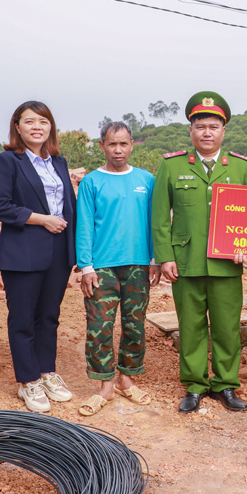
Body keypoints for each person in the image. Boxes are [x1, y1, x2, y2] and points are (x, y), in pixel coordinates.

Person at [152, 92, 247, 414]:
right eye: (200, 126)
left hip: (227, 263)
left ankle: (226, 384)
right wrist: (165, 256)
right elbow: (159, 216)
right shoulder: (172, 165)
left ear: (224, 130)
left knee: (226, 327)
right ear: (191, 130)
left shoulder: (240, 167)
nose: (206, 132)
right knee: (191, 328)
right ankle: (195, 385)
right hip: (186, 262)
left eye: (213, 126)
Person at [0, 101, 76, 413]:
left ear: (51, 127)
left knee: (49, 316)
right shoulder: (7, 161)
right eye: (29, 121)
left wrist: (74, 250)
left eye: (43, 121)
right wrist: (42, 219)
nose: (37, 126)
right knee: (23, 318)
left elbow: (70, 208)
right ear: (17, 127)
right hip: (23, 251)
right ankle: (28, 381)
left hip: (59, 252)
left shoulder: (58, 162)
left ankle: (47, 372)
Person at [75, 121, 161, 415]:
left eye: (124, 143)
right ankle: (105, 387)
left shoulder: (146, 180)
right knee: (99, 327)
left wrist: (154, 260)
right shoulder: (91, 182)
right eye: (112, 144)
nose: (118, 150)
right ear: (102, 146)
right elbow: (84, 226)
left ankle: (127, 379)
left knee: (135, 325)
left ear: (132, 145)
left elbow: (155, 223)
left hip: (138, 264)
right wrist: (86, 266)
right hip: (102, 268)